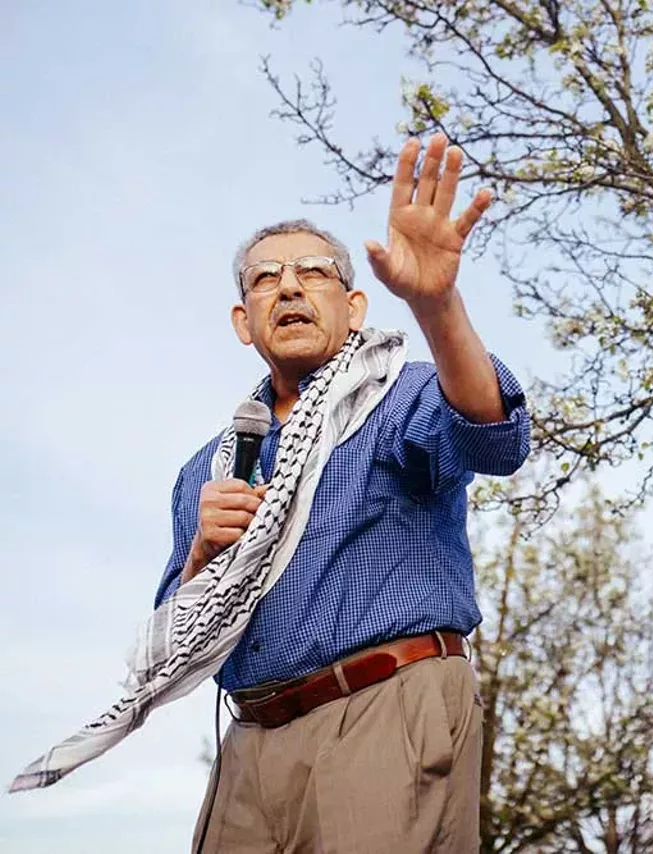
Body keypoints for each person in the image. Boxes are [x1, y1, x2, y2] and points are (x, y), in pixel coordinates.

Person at [152, 133, 529, 852]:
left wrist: (437, 305)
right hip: (249, 742)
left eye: (312, 273)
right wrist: (203, 551)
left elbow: (494, 438)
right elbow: (171, 650)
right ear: (244, 322)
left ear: (354, 308)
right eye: (265, 280)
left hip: (384, 710)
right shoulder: (207, 469)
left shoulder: (402, 397)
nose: (288, 288)